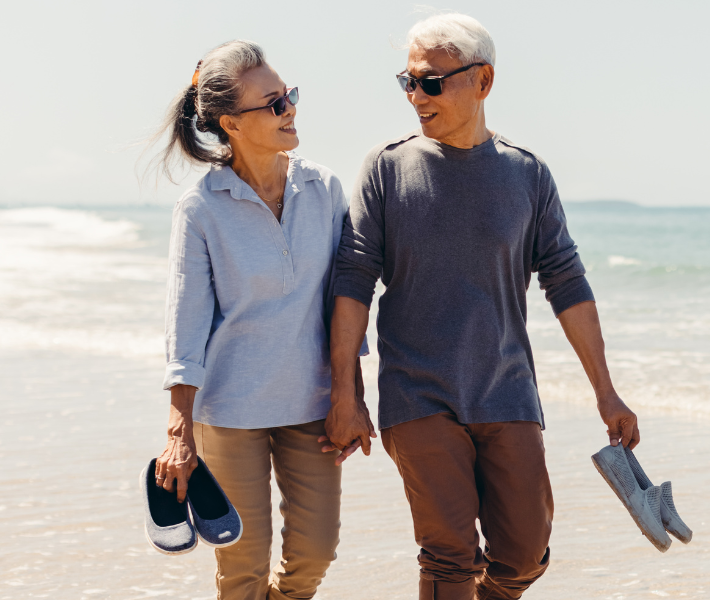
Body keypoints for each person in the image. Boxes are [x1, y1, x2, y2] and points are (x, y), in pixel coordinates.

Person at [323, 13, 641, 600]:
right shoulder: (387, 168)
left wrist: (606, 391)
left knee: (524, 554)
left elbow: (566, 281)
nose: (416, 96)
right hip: (416, 393)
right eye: (408, 82)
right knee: (449, 556)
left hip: (507, 391)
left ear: (483, 80)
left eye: (431, 82)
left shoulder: (527, 174)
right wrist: (346, 392)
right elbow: (354, 280)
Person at [151, 40, 364, 600]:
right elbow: (185, 324)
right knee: (242, 568)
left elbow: (345, 300)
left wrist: (351, 395)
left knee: (316, 553)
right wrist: (178, 433)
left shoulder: (324, 188)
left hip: (312, 405)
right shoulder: (201, 208)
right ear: (232, 124)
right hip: (229, 412)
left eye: (288, 95)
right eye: (273, 104)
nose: (289, 109)